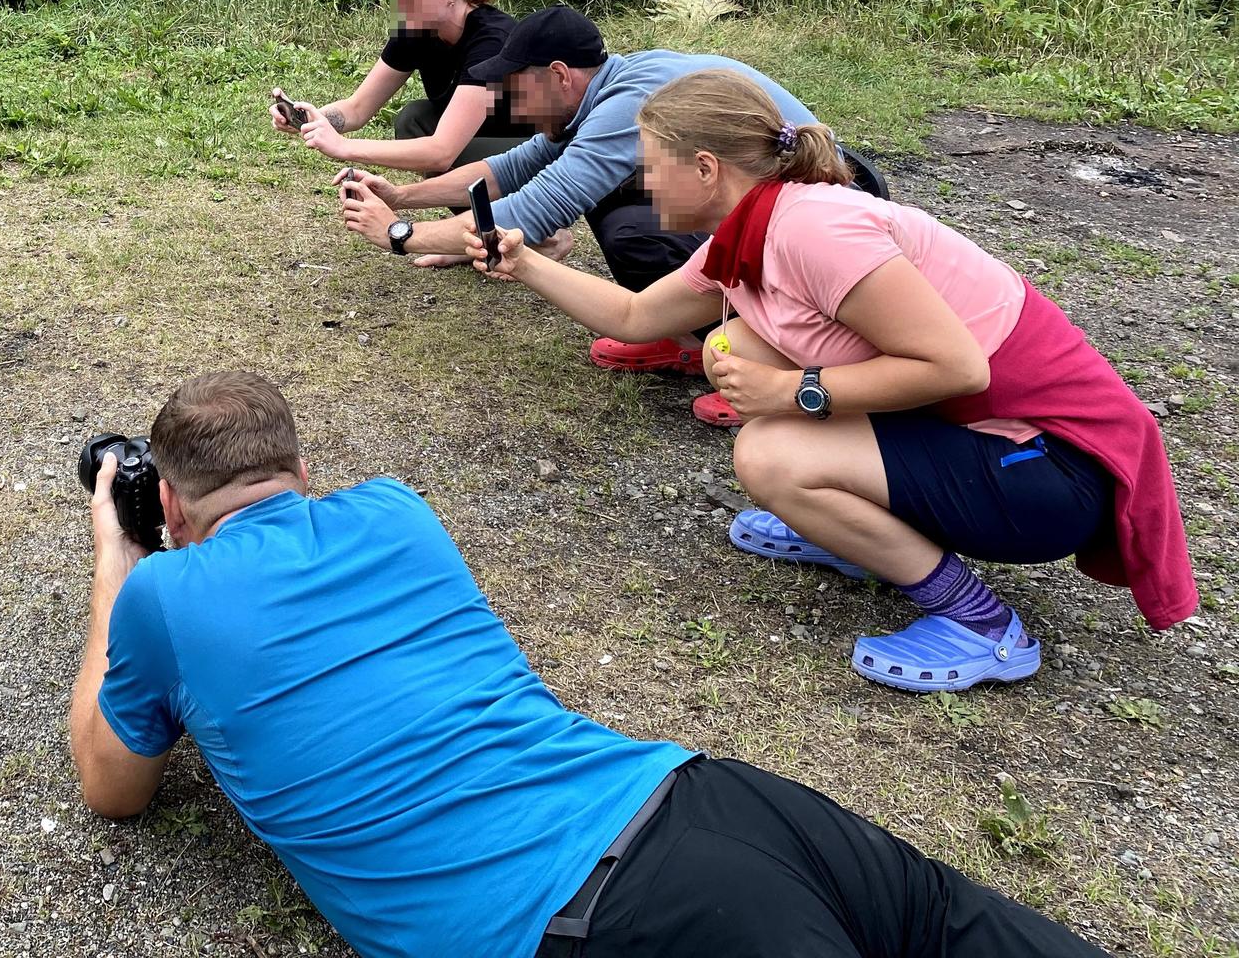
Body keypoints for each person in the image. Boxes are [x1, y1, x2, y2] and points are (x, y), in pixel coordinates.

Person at [69, 371, 1117, 956]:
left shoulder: (160, 596)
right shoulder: (391, 510)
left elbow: (112, 788)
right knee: (954, 928)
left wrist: (117, 553)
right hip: (701, 801)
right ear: (306, 473)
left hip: (593, 920)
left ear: (170, 502)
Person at [465, 70, 1197, 693]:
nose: (641, 180)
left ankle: (982, 624)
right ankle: (853, 533)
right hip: (989, 440)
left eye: (653, 163)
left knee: (770, 454)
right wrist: (526, 262)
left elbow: (956, 368)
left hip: (1058, 474)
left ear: (707, 169)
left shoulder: (815, 230)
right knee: (739, 338)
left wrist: (793, 393)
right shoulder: (755, 230)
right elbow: (633, 314)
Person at [338, 4, 833, 426]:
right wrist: (402, 195)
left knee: (635, 228)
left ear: (558, 75)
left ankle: (763, 356)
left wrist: (399, 235)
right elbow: (511, 167)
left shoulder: (627, 102)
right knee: (623, 207)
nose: (509, 102)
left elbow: (530, 211)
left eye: (516, 87)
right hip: (764, 208)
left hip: (812, 226)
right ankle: (678, 336)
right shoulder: (605, 87)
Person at [271, 0, 533, 175]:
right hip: (478, 137)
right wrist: (309, 120)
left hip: (539, 149)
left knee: (444, 150)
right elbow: (357, 108)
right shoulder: (418, 28)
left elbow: (442, 151)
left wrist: (344, 147)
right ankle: (469, 217)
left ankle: (491, 218)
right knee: (414, 119)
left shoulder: (492, 40)